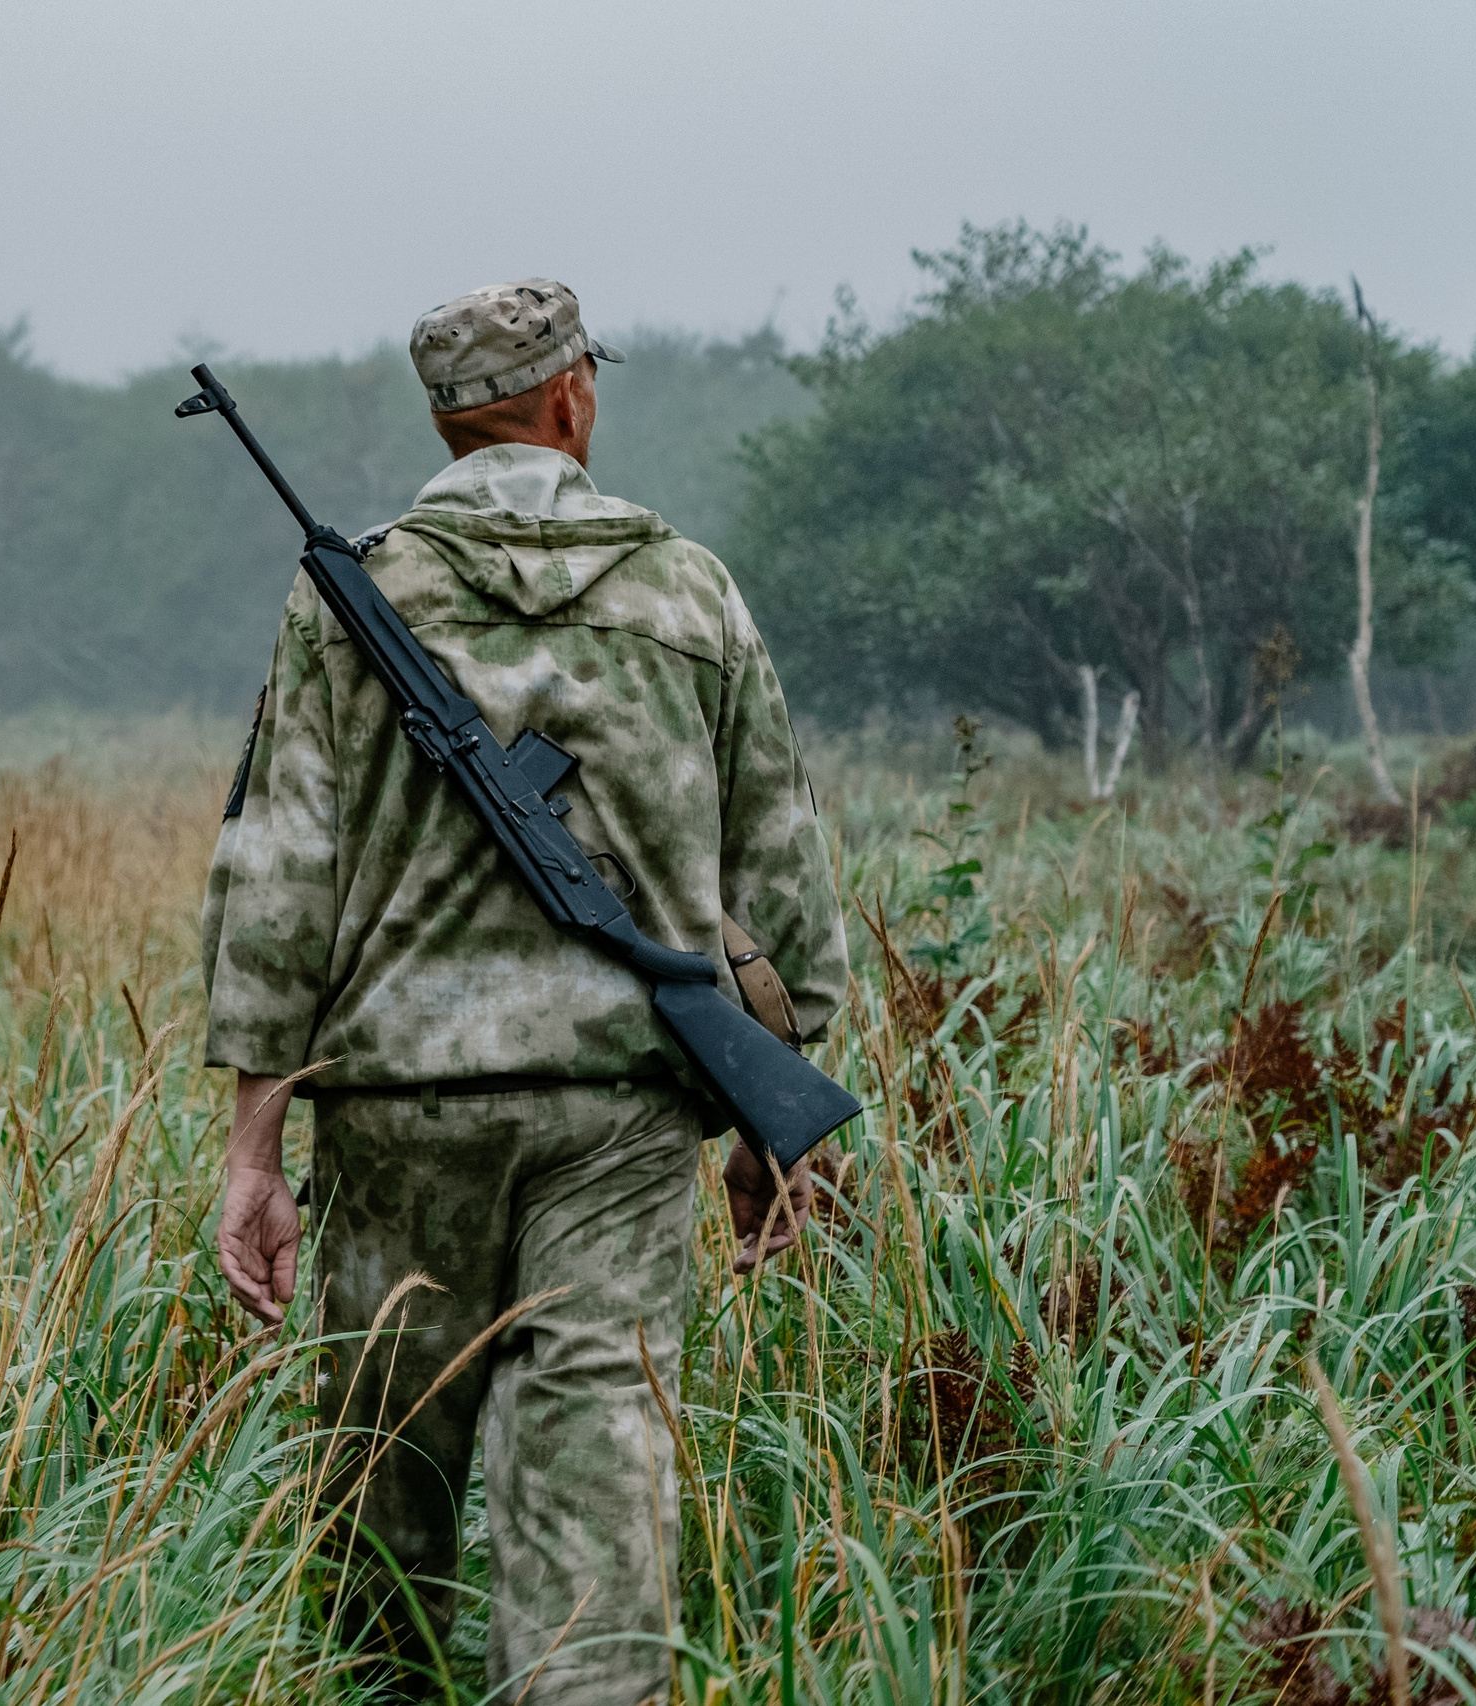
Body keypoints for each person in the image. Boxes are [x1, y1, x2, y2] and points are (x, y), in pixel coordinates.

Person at [199, 278, 848, 1704]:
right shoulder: (692, 588)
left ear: (446, 422)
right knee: (598, 1518)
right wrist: (775, 1128)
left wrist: (254, 1146)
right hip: (620, 1122)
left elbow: (277, 872)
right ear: (573, 400)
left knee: (386, 1512)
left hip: (397, 1119)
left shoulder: (356, 592)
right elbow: (783, 878)